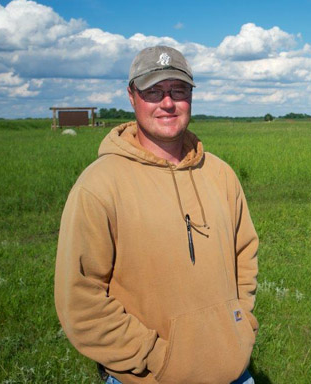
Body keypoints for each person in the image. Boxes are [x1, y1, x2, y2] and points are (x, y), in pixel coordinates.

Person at [55, 46, 258, 384]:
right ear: (131, 96)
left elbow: (245, 255)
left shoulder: (221, 175)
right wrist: (156, 356)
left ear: (191, 96)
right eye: (154, 91)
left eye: (178, 90)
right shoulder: (99, 185)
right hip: (148, 378)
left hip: (235, 374)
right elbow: (80, 300)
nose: (168, 103)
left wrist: (242, 323)